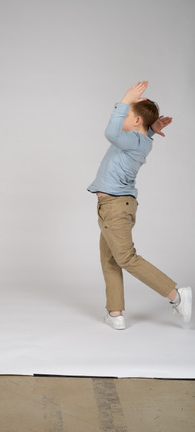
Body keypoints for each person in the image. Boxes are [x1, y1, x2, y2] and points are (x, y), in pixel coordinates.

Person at [87, 81, 192, 330]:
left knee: (125, 257)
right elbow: (136, 137)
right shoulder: (140, 140)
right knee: (110, 260)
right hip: (112, 206)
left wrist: (125, 99)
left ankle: (176, 295)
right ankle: (115, 313)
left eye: (125, 114)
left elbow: (111, 133)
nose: (120, 116)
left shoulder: (132, 140)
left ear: (135, 122)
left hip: (115, 207)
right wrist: (151, 129)